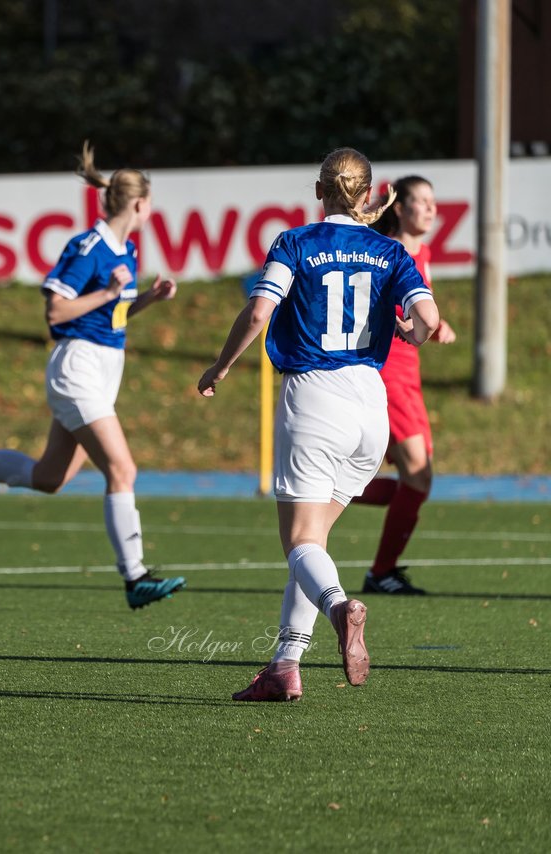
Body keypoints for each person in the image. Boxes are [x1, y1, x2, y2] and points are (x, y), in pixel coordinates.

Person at [197, 147, 439, 702]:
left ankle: (339, 609)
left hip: (314, 400)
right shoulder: (390, 250)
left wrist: (221, 365)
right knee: (317, 540)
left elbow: (260, 313)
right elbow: (427, 319)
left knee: (301, 542)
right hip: (370, 408)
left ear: (319, 191)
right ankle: (285, 667)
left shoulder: (295, 242)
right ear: (371, 197)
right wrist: (411, 334)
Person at [0, 141, 185, 611]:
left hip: (101, 370)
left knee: (49, 477)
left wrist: (146, 300)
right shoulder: (88, 247)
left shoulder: (128, 251)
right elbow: (56, 311)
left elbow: (110, 313)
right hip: (76, 368)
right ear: (139, 204)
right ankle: (135, 577)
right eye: (150, 203)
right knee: (122, 469)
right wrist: (110, 294)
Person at [351, 175, 457, 595]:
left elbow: (419, 307)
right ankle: (380, 573)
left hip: (409, 376)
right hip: (389, 373)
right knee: (417, 475)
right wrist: (394, 321)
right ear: (400, 208)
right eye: (422, 201)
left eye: (434, 201)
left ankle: (318, 490)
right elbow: (367, 302)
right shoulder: (388, 252)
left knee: (418, 481)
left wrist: (437, 323)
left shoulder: (421, 253)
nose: (431, 209)